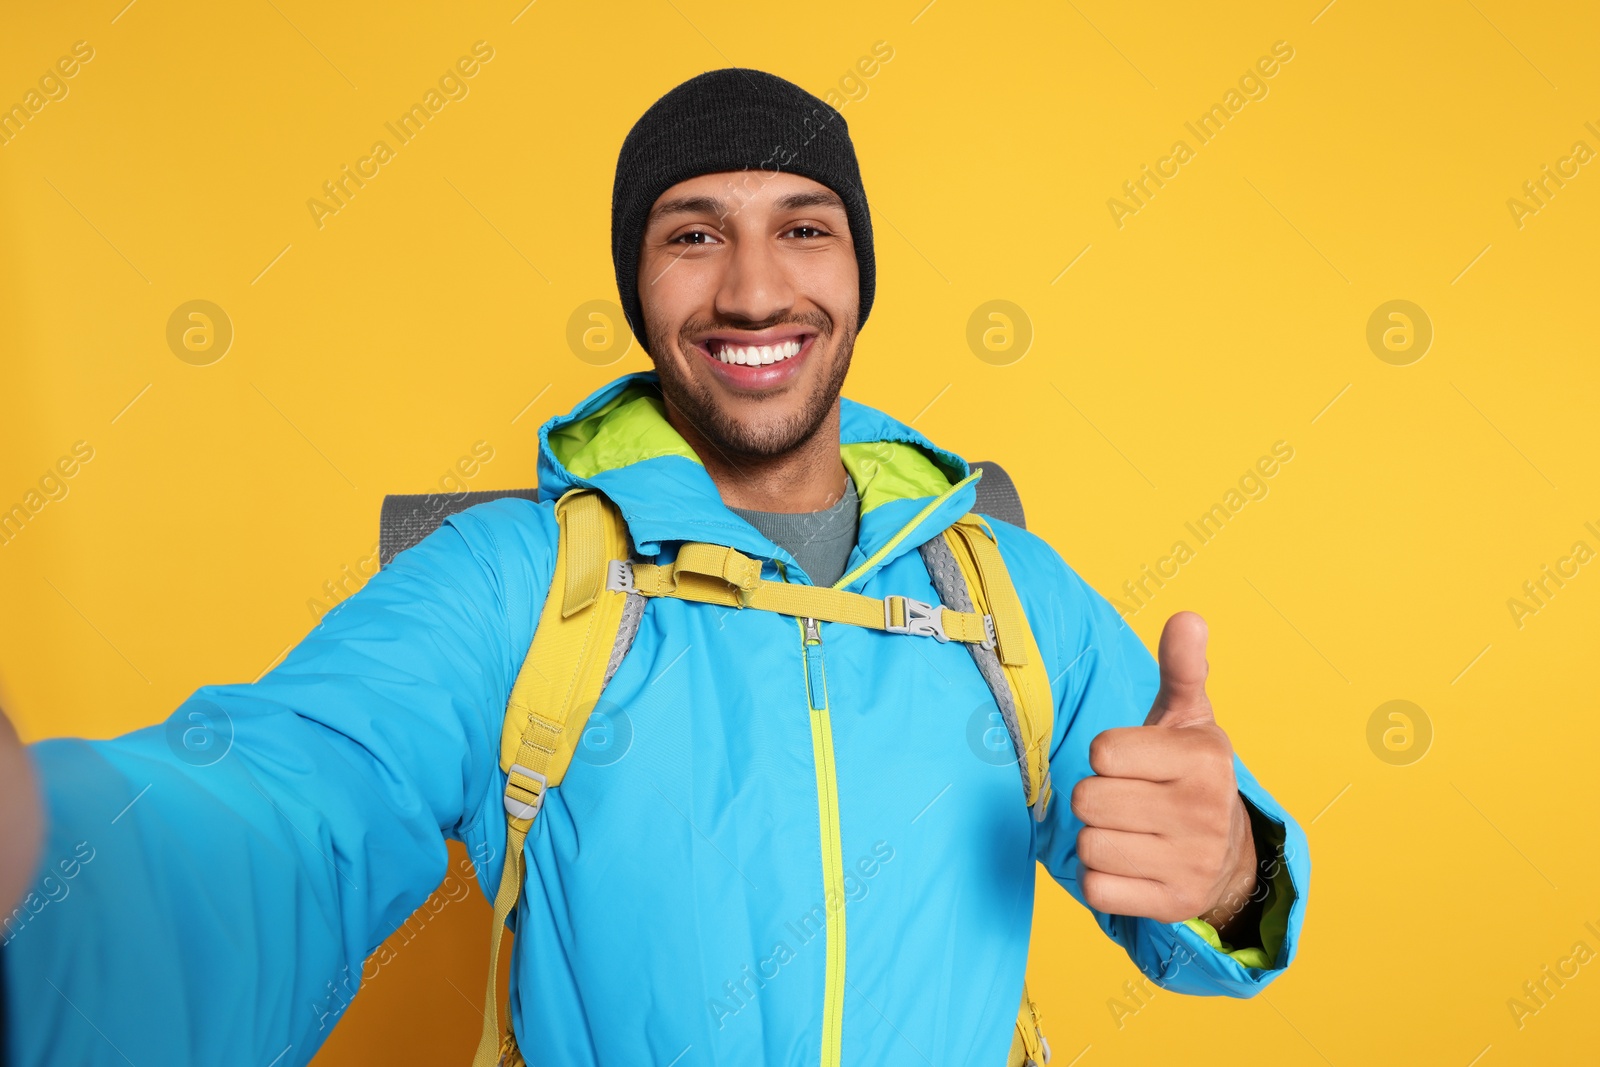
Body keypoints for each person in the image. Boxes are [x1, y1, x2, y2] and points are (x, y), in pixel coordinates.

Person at [0, 69, 1308, 1066]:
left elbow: (1208, 920)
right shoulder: (518, 584)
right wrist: (59, 869)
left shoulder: (1013, 597)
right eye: (693, 235)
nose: (752, 292)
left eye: (804, 229)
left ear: (859, 269)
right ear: (636, 281)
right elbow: (294, 807)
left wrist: (1235, 871)